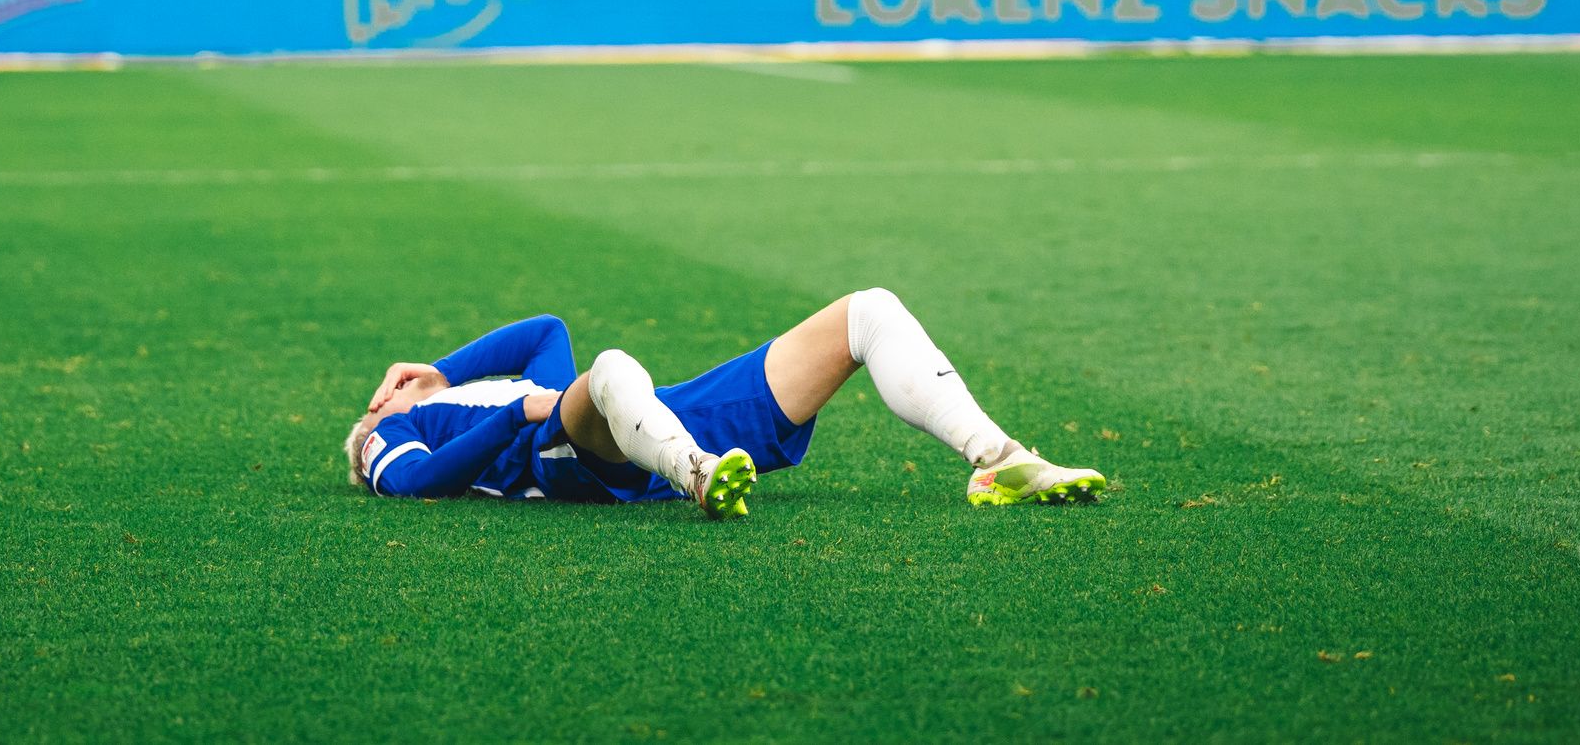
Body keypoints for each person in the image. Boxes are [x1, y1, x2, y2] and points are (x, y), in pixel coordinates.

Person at [344, 290, 1109, 516]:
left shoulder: (453, 393)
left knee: (866, 313)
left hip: (649, 412)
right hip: (566, 453)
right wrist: (518, 414)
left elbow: (546, 328)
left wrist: (439, 370)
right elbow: (413, 483)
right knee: (609, 370)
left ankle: (997, 460)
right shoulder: (386, 436)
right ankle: (698, 475)